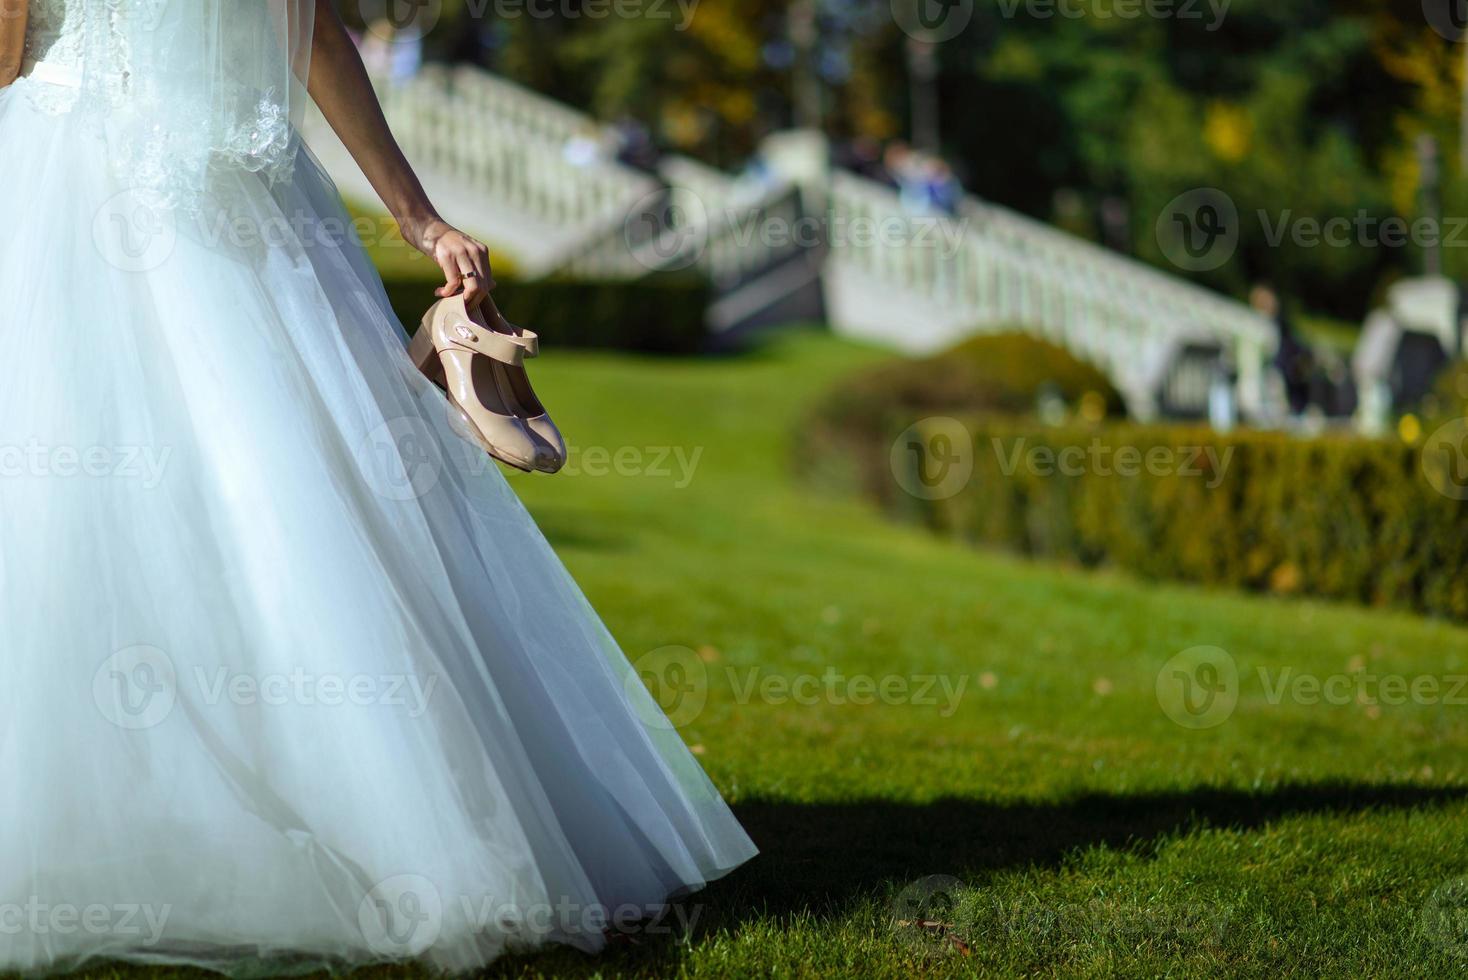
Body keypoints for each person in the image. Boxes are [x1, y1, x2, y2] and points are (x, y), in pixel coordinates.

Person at [0, 1, 756, 974]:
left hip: (60, 173)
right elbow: (311, 32)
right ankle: (361, 816)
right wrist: (417, 216)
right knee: (278, 495)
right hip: (222, 193)